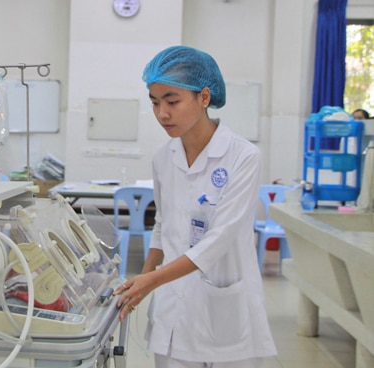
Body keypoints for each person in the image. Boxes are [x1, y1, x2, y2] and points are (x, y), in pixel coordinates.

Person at [113, 46, 277, 367]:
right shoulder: (163, 158)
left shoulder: (242, 157)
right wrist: (142, 282)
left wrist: (154, 280)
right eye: (155, 102)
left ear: (204, 98)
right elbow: (163, 225)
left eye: (172, 101)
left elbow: (219, 240)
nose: (162, 113)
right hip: (173, 311)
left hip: (225, 306)